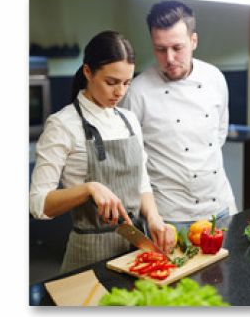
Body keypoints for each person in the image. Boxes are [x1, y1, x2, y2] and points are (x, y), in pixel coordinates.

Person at [29, 31, 175, 273]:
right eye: (111, 82)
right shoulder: (63, 124)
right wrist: (89, 189)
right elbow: (37, 204)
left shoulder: (128, 120)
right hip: (89, 256)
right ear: (88, 72)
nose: (120, 92)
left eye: (127, 83)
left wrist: (154, 219)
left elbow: (142, 184)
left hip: (135, 250)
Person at [122, 0, 237, 231]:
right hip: (169, 219)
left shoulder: (214, 78)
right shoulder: (137, 91)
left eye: (177, 47)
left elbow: (219, 135)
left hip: (220, 209)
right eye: (160, 49)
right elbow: (131, 159)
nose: (170, 58)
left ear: (193, 41)